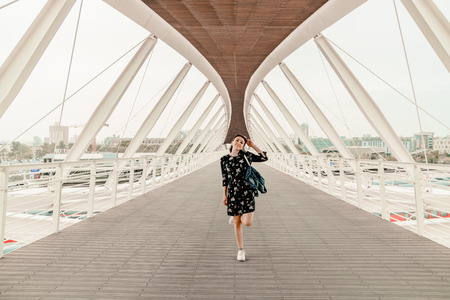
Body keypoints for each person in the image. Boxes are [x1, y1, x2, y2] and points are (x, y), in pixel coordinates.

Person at [220, 134, 268, 262]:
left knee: (247, 222)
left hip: (247, 193)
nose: (239, 143)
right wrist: (225, 195)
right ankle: (241, 250)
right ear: (232, 142)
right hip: (233, 194)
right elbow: (225, 179)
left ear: (243, 146)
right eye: (237, 140)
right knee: (237, 223)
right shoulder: (224, 159)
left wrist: (253, 146)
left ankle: (237, 216)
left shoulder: (246, 157)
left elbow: (264, 158)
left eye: (242, 142)